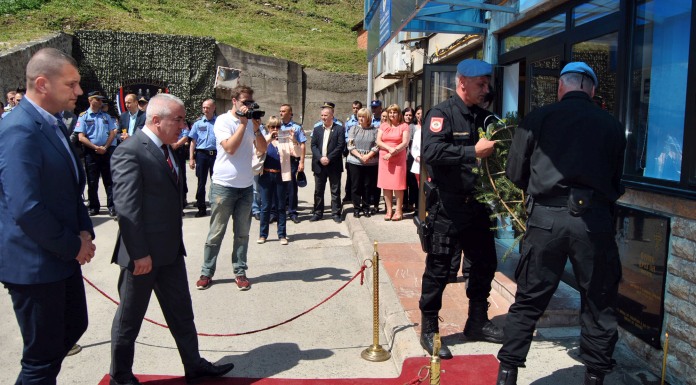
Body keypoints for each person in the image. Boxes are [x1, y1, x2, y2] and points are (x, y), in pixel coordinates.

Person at [496, 62, 626, 385]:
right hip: (593, 223)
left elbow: (514, 173)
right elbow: (615, 181)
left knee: (528, 300)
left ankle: (507, 374)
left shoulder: (538, 119)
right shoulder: (611, 125)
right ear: (592, 90)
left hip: (546, 220)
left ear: (560, 88)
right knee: (598, 302)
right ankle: (595, 376)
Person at [109, 94, 235, 385]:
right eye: (177, 119)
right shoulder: (130, 151)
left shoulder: (167, 150)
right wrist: (139, 254)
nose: (183, 124)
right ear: (156, 120)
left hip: (169, 253)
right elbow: (127, 208)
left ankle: (194, 365)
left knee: (182, 313)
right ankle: (121, 376)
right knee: (129, 320)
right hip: (141, 256)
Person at [0, 47, 95, 385]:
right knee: (40, 360)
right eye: (71, 84)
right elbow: (26, 207)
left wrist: (85, 231)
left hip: (61, 255)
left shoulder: (51, 123)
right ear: (42, 84)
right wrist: (73, 246)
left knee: (72, 328)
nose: (79, 92)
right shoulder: (18, 130)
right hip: (35, 265)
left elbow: (69, 189)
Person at [418, 59, 503, 359]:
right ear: (463, 82)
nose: (486, 89)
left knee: (484, 263)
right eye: (481, 83)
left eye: (487, 83)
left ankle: (477, 321)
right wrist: (471, 151)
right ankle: (429, 328)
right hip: (448, 205)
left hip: (477, 204)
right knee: (440, 267)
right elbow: (431, 151)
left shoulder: (484, 117)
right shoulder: (442, 114)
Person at [196, 85, 267, 291]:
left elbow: (262, 149)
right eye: (245, 102)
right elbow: (230, 148)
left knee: (242, 233)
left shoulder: (250, 123)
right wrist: (243, 125)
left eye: (250, 103)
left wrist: (255, 127)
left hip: (245, 187)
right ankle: (206, 272)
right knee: (216, 232)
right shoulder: (223, 121)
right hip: (223, 186)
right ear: (234, 101)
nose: (248, 106)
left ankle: (240, 271)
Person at [75, 90, 118, 217]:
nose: (100, 102)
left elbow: (112, 132)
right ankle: (94, 206)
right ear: (90, 100)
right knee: (92, 181)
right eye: (97, 99)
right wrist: (95, 147)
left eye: (101, 100)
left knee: (108, 180)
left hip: (105, 151)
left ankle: (112, 206)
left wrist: (105, 147)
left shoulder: (105, 116)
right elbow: (81, 137)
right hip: (91, 152)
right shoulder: (84, 116)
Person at [257, 116, 295, 245]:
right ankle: (263, 235)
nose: (275, 129)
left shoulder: (284, 140)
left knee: (280, 206)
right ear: (268, 128)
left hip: (280, 176)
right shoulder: (263, 139)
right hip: (266, 175)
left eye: (277, 127)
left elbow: (297, 152)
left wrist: (293, 140)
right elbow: (257, 152)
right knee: (266, 206)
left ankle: (282, 234)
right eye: (272, 127)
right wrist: (268, 139)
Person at [309, 106, 345, 223]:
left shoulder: (339, 129)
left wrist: (329, 158)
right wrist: (320, 158)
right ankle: (318, 212)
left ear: (332, 116)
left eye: (326, 115)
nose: (323, 118)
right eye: (322, 115)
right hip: (319, 165)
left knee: (335, 191)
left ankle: (335, 213)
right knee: (318, 191)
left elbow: (340, 146)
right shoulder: (317, 129)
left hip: (333, 165)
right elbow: (313, 145)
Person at [376, 104, 409, 221]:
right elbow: (378, 141)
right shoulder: (383, 126)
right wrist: (388, 149)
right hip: (385, 157)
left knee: (398, 185)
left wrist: (393, 151)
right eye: (390, 112)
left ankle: (399, 211)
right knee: (386, 185)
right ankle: (389, 210)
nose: (392, 115)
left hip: (398, 157)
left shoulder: (404, 126)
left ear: (399, 114)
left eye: (394, 112)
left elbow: (405, 142)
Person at [346, 107, 379, 217]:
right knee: (355, 186)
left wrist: (368, 156)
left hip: (370, 162)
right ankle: (356, 208)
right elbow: (350, 145)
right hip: (355, 161)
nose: (360, 118)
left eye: (363, 116)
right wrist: (361, 156)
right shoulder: (353, 128)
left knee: (367, 186)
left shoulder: (375, 130)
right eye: (359, 116)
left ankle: (366, 207)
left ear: (368, 117)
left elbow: (377, 145)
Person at [188, 99, 217, 217]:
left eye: (208, 107)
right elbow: (193, 142)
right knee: (201, 182)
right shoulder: (198, 124)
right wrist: (191, 158)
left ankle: (216, 207)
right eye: (204, 107)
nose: (205, 110)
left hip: (215, 155)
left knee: (216, 182)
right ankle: (201, 208)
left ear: (214, 108)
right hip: (201, 155)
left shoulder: (219, 122)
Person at [279, 103, 306, 223]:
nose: (281, 113)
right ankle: (279, 211)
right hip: (279, 160)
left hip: (292, 159)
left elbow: (303, 145)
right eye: (280, 111)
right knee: (279, 186)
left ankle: (292, 211)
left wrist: (302, 162)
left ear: (290, 113)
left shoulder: (296, 127)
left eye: (284, 111)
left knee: (291, 187)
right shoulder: (277, 126)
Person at [343, 100, 363, 203]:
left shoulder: (365, 119)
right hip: (351, 149)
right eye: (354, 108)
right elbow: (346, 135)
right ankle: (348, 194)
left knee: (361, 175)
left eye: (357, 108)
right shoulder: (349, 121)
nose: (355, 110)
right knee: (350, 173)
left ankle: (360, 195)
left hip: (362, 148)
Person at [403, 106, 418, 213]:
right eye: (406, 115)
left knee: (412, 182)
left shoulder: (413, 127)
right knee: (403, 182)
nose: (408, 117)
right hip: (401, 158)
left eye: (410, 115)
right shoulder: (400, 126)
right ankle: (404, 203)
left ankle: (411, 203)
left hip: (411, 158)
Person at [409, 106, 422, 186]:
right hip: (418, 162)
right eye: (418, 113)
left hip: (429, 163)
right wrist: (417, 157)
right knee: (419, 186)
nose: (420, 116)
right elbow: (413, 148)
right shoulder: (417, 132)